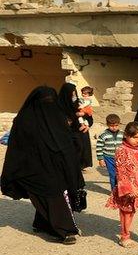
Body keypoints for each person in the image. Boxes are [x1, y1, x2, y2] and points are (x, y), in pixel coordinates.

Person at [0, 86, 82, 244]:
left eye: (51, 101)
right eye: (45, 101)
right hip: (32, 166)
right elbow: (17, 146)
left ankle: (41, 223)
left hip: (55, 165)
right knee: (51, 195)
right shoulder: (24, 120)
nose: (48, 105)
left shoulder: (57, 117)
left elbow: (67, 141)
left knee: (50, 194)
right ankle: (64, 231)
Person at [57, 82, 93, 171]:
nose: (74, 94)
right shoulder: (58, 105)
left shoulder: (79, 103)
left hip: (81, 131)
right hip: (66, 132)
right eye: (71, 92)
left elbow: (90, 117)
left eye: (74, 91)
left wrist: (88, 124)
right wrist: (74, 116)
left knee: (81, 147)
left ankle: (79, 165)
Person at [96, 114, 124, 190]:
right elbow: (99, 147)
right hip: (108, 158)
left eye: (116, 125)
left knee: (121, 175)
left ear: (119, 124)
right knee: (113, 175)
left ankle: (121, 190)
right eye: (111, 126)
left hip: (121, 158)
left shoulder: (123, 134)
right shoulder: (103, 135)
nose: (114, 128)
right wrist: (101, 159)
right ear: (107, 125)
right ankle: (114, 191)